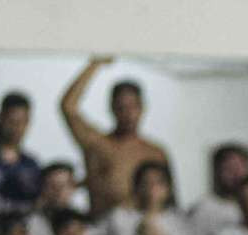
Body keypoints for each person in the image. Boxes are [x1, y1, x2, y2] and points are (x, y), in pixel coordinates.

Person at [59, 57, 171, 217]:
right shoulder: (97, 144)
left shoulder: (155, 153)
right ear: (112, 109)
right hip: (102, 229)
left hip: (145, 231)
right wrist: (95, 63)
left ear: (142, 108)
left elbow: (170, 201)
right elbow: (68, 107)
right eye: (121, 107)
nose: (128, 114)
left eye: (133, 106)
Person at [188, 143, 248, 235]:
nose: (236, 174)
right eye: (229, 168)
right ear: (217, 171)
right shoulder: (204, 209)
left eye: (240, 167)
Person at [26, 162, 80, 235]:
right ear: (43, 189)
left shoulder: (87, 222)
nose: (59, 191)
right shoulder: (31, 223)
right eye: (52, 186)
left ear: (74, 187)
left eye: (64, 185)